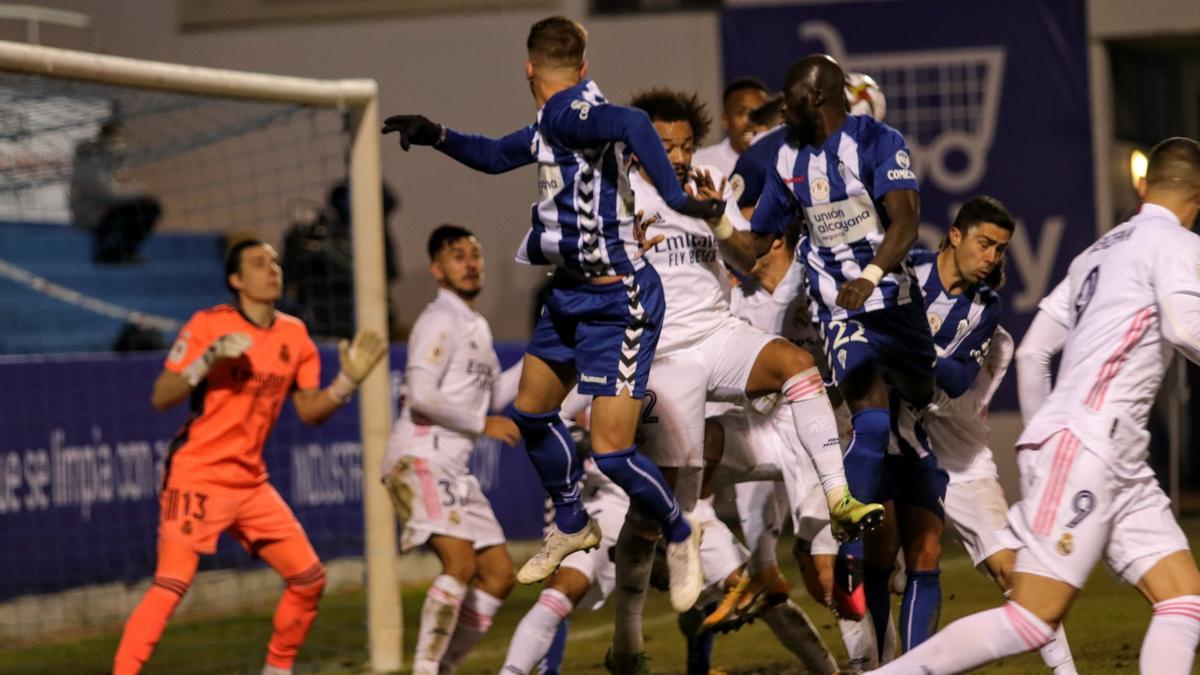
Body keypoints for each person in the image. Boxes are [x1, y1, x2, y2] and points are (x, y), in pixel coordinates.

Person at [382, 16, 725, 612]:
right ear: (582, 66)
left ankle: (680, 532)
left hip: (621, 300)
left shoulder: (575, 113)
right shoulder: (552, 123)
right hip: (571, 294)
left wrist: (679, 198)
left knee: (612, 451)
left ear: (528, 68)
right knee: (533, 413)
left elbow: (630, 121)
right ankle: (572, 522)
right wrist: (435, 133)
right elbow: (493, 155)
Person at [869, 137, 1200, 674]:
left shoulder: (1101, 248)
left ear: (1146, 185)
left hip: (1113, 455)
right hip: (1092, 444)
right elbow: (1186, 326)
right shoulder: (1178, 245)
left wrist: (1039, 437)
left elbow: (1036, 351)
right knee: (1030, 619)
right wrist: (1058, 442)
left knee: (1183, 598)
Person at [605, 87, 871, 673]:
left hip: (717, 337)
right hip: (662, 354)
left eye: (683, 144)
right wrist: (618, 251)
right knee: (664, 506)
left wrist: (721, 219)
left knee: (796, 367)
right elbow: (573, 267)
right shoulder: (614, 194)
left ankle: (838, 496)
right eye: (663, 144)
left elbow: (756, 262)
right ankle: (627, 640)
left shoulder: (705, 185)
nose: (675, 155)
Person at [112, 240, 388, 675]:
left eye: (275, 262)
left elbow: (310, 412)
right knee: (171, 584)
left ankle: (276, 670)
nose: (272, 269)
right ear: (236, 280)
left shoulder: (294, 335)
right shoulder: (208, 325)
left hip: (250, 483)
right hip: (197, 474)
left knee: (309, 579)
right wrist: (205, 361)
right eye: (259, 264)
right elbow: (161, 396)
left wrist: (346, 383)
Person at [382, 225, 521, 674]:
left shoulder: (474, 323)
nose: (470, 263)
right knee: (459, 563)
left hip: (453, 471)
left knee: (499, 574)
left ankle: (444, 667)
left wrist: (550, 351)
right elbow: (421, 394)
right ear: (436, 269)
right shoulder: (439, 320)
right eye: (457, 256)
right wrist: (482, 425)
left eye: (475, 254)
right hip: (419, 456)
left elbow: (496, 393)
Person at [69, 117, 162, 264]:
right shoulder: (90, 161)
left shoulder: (103, 160)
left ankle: (121, 250)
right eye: (117, 139)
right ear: (107, 138)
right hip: (92, 215)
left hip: (103, 210)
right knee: (148, 208)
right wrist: (138, 194)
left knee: (146, 206)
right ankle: (113, 250)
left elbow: (112, 190)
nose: (121, 144)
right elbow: (107, 196)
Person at [693, 76, 772, 177]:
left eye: (760, 113)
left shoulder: (785, 162)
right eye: (742, 113)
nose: (752, 122)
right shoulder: (699, 165)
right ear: (725, 120)